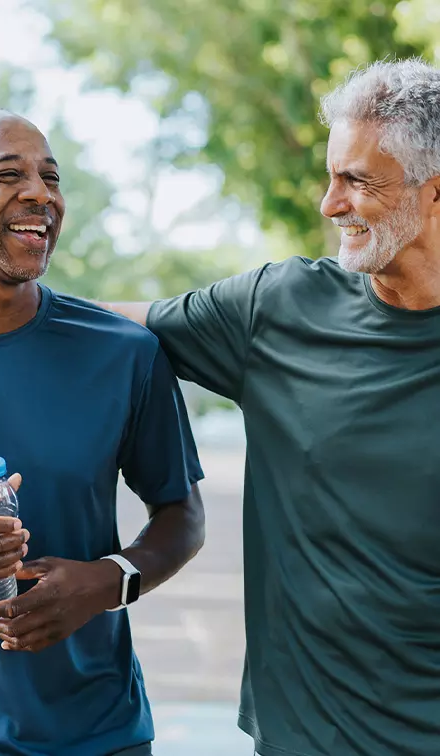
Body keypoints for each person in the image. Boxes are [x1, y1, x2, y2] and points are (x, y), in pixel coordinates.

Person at [98, 59, 440, 756]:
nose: (328, 203)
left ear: (433, 195)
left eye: (356, 180)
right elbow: (98, 329)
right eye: (330, 174)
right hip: (301, 740)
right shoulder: (278, 309)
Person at [0, 108, 205, 756]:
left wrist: (108, 581)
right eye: (8, 174)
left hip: (101, 732)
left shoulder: (124, 353)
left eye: (50, 178)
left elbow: (183, 514)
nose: (40, 194)